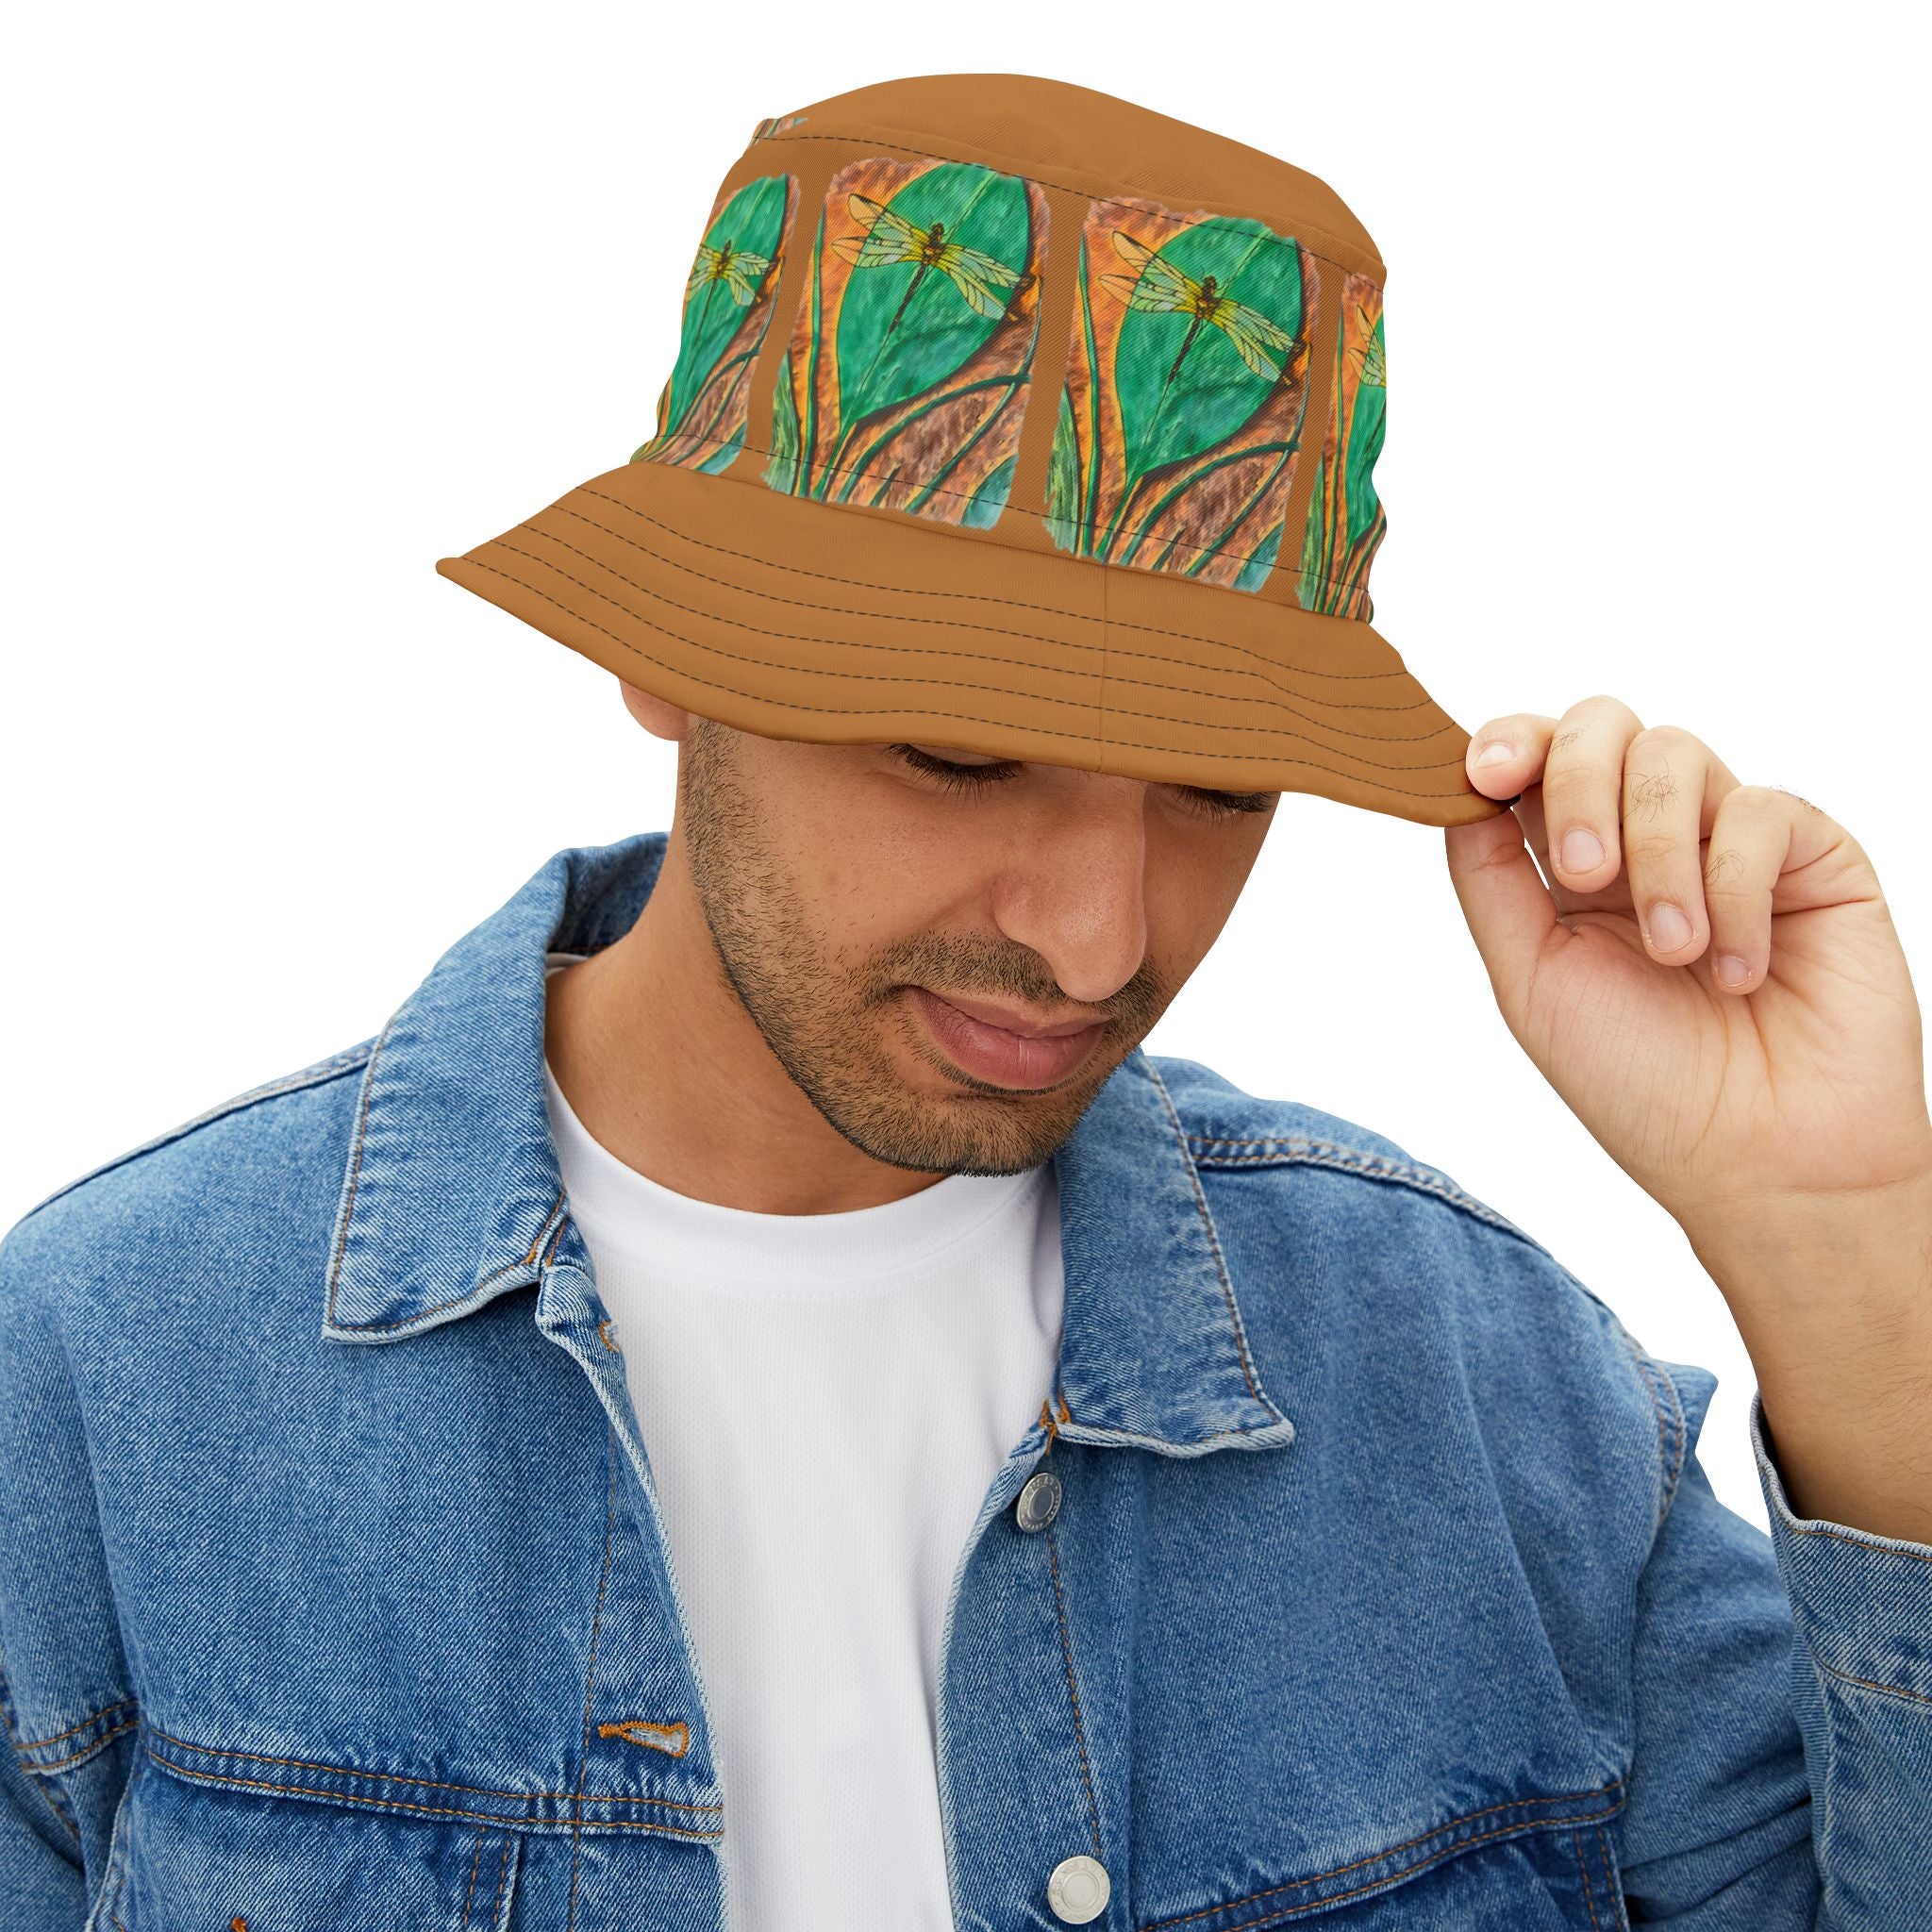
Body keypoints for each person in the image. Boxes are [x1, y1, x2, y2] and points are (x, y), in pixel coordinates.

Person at [3, 70, 1927, 1932]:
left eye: (1217, 787)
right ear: (669, 660)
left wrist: (1844, 1254)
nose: (1100, 942)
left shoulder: (1487, 1393)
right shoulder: (110, 1382)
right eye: (958, 751)